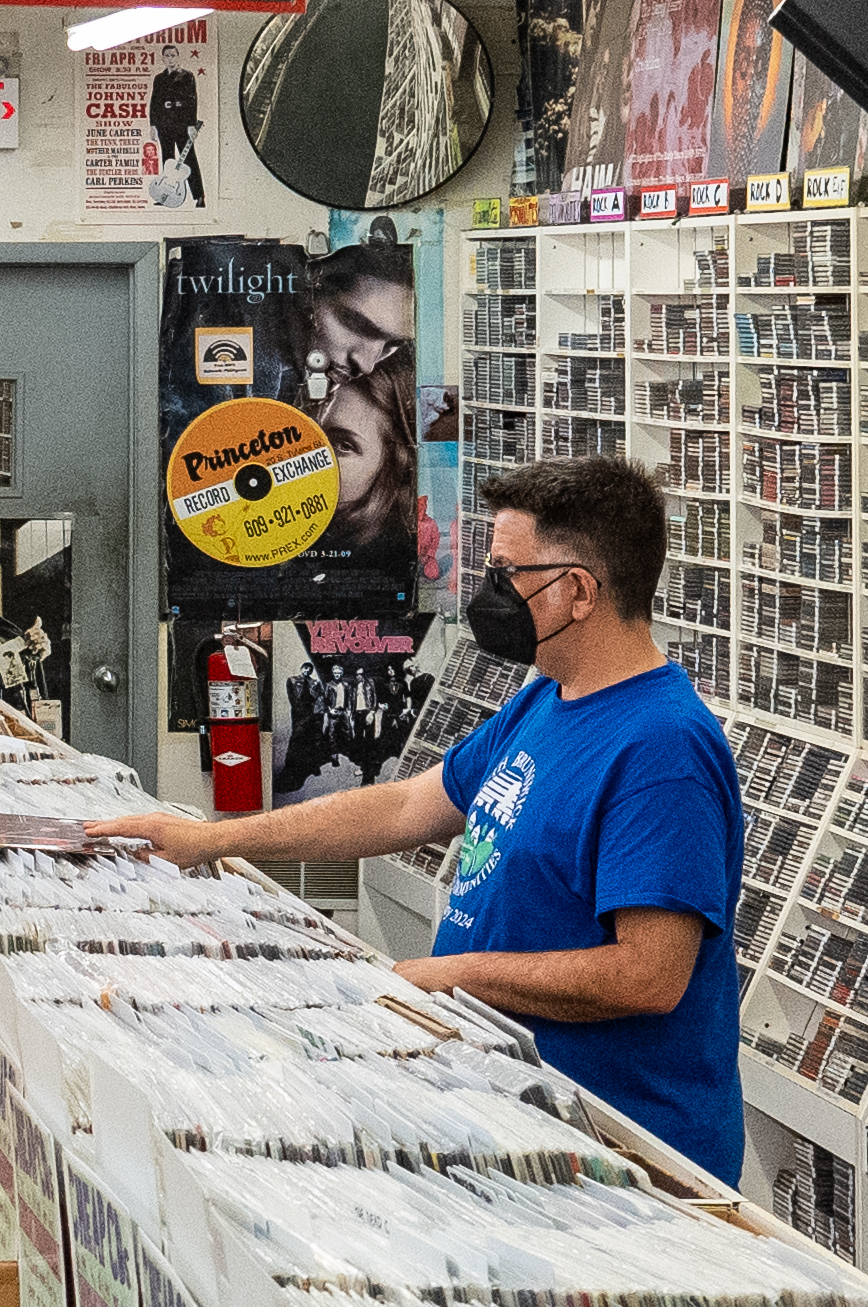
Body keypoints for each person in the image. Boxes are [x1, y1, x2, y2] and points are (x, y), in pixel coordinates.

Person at [103, 451, 740, 1177]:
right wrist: (212, 841)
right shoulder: (545, 700)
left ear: (580, 592)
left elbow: (649, 977)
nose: (487, 593)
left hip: (619, 1149)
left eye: (507, 575)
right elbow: (408, 805)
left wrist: (455, 975)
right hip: (518, 1114)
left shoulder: (661, 749)